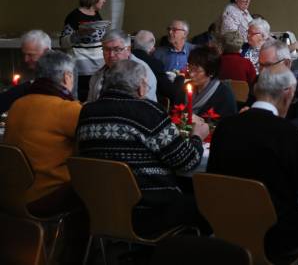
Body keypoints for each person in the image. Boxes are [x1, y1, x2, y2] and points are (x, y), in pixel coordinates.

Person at [207, 65, 298, 262]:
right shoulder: (286, 133)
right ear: (287, 94)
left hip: (228, 228)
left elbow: (213, 179)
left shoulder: (225, 127)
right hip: (278, 236)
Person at [77, 59, 210, 235]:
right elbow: (187, 162)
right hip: (148, 211)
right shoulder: (147, 112)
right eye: (145, 84)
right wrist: (197, 137)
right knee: (209, 204)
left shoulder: (87, 112)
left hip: (99, 207)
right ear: (140, 86)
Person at [4, 51, 81, 214]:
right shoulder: (67, 109)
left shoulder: (17, 105)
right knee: (95, 185)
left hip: (11, 194)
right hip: (45, 195)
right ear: (67, 77)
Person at [60, 0, 109, 101]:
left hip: (99, 66)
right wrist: (78, 34)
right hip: (81, 67)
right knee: (82, 99)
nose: (104, 1)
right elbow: (63, 43)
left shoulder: (97, 15)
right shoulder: (74, 16)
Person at [257, 39, 298, 132]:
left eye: (268, 65)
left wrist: (277, 128)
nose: (262, 71)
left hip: (292, 135)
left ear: (287, 63)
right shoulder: (258, 81)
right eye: (261, 65)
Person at [87, 29, 157, 102]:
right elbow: (90, 102)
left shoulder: (143, 72)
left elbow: (146, 107)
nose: (111, 55)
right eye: (107, 49)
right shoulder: (97, 75)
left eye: (117, 49)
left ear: (128, 50)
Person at [0, 30, 52, 113]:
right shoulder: (30, 68)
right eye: (24, 54)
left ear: (46, 52)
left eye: (31, 55)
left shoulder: (60, 74)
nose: (26, 59)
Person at [132, 30, 185, 105]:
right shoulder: (155, 64)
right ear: (151, 47)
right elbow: (170, 92)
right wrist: (180, 78)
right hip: (145, 105)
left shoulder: (125, 57)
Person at [184, 46, 237, 118]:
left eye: (196, 70)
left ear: (211, 72)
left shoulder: (224, 95)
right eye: (189, 68)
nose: (191, 74)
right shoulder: (187, 87)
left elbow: (226, 124)